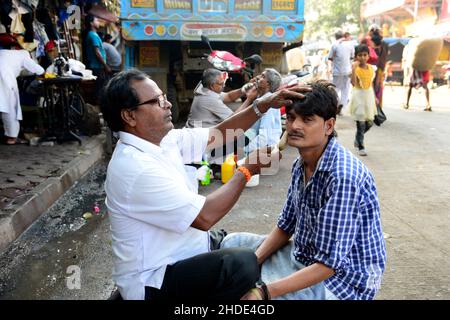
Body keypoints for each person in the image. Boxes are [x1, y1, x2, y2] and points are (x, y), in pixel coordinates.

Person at [100, 69, 308, 300]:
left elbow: (218, 134)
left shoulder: (162, 139)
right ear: (130, 116)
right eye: (157, 101)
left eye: (164, 97)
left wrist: (263, 104)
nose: (168, 104)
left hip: (183, 249)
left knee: (239, 245)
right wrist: (247, 169)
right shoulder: (134, 167)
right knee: (241, 265)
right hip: (154, 278)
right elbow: (204, 217)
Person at [220, 80, 386, 300]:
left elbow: (328, 265)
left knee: (254, 299)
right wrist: (252, 264)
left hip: (342, 281)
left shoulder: (343, 177)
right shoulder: (303, 163)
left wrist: (263, 292)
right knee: (232, 244)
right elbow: (286, 225)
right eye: (291, 118)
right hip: (304, 256)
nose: (295, 126)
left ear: (329, 126)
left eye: (307, 120)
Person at [0, 49, 44, 145]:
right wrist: (45, 73)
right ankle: (11, 138)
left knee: (3, 104)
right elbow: (38, 70)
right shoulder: (24, 55)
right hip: (4, 77)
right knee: (10, 106)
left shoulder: (7, 52)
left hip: (4, 74)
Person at [185, 68, 255, 128]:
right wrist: (249, 99)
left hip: (196, 130)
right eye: (221, 84)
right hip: (199, 137)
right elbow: (234, 118)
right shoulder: (210, 99)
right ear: (212, 86)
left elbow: (228, 96)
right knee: (242, 133)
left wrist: (242, 90)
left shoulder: (204, 90)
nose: (224, 85)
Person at [244, 68, 283, 154]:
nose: (257, 77)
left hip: (262, 150)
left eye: (262, 76)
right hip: (253, 142)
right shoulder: (259, 98)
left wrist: (244, 151)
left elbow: (264, 137)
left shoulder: (269, 102)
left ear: (268, 84)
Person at [349, 44, 377, 157]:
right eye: (360, 55)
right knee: (360, 123)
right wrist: (353, 69)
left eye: (365, 55)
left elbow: (371, 84)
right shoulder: (355, 68)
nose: (362, 57)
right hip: (358, 97)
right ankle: (361, 146)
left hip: (369, 96)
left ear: (368, 56)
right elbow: (354, 83)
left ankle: (357, 138)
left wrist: (375, 97)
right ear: (356, 56)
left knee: (369, 122)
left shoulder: (371, 68)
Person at [328, 30, 355, 115]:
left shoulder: (334, 44)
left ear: (336, 37)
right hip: (347, 71)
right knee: (345, 89)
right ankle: (342, 108)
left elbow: (330, 57)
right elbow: (352, 57)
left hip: (337, 71)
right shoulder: (350, 44)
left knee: (335, 89)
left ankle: (337, 105)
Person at [84, 15, 110, 92]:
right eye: (97, 20)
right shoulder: (93, 35)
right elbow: (97, 52)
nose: (99, 22)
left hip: (97, 65)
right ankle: (97, 103)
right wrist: (106, 66)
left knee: (99, 86)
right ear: (91, 23)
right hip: (96, 66)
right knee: (99, 87)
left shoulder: (93, 34)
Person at [368, 25, 389, 110]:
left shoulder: (370, 42)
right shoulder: (384, 43)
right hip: (380, 68)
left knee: (371, 88)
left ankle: (373, 109)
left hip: (371, 68)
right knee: (378, 88)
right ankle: (378, 108)